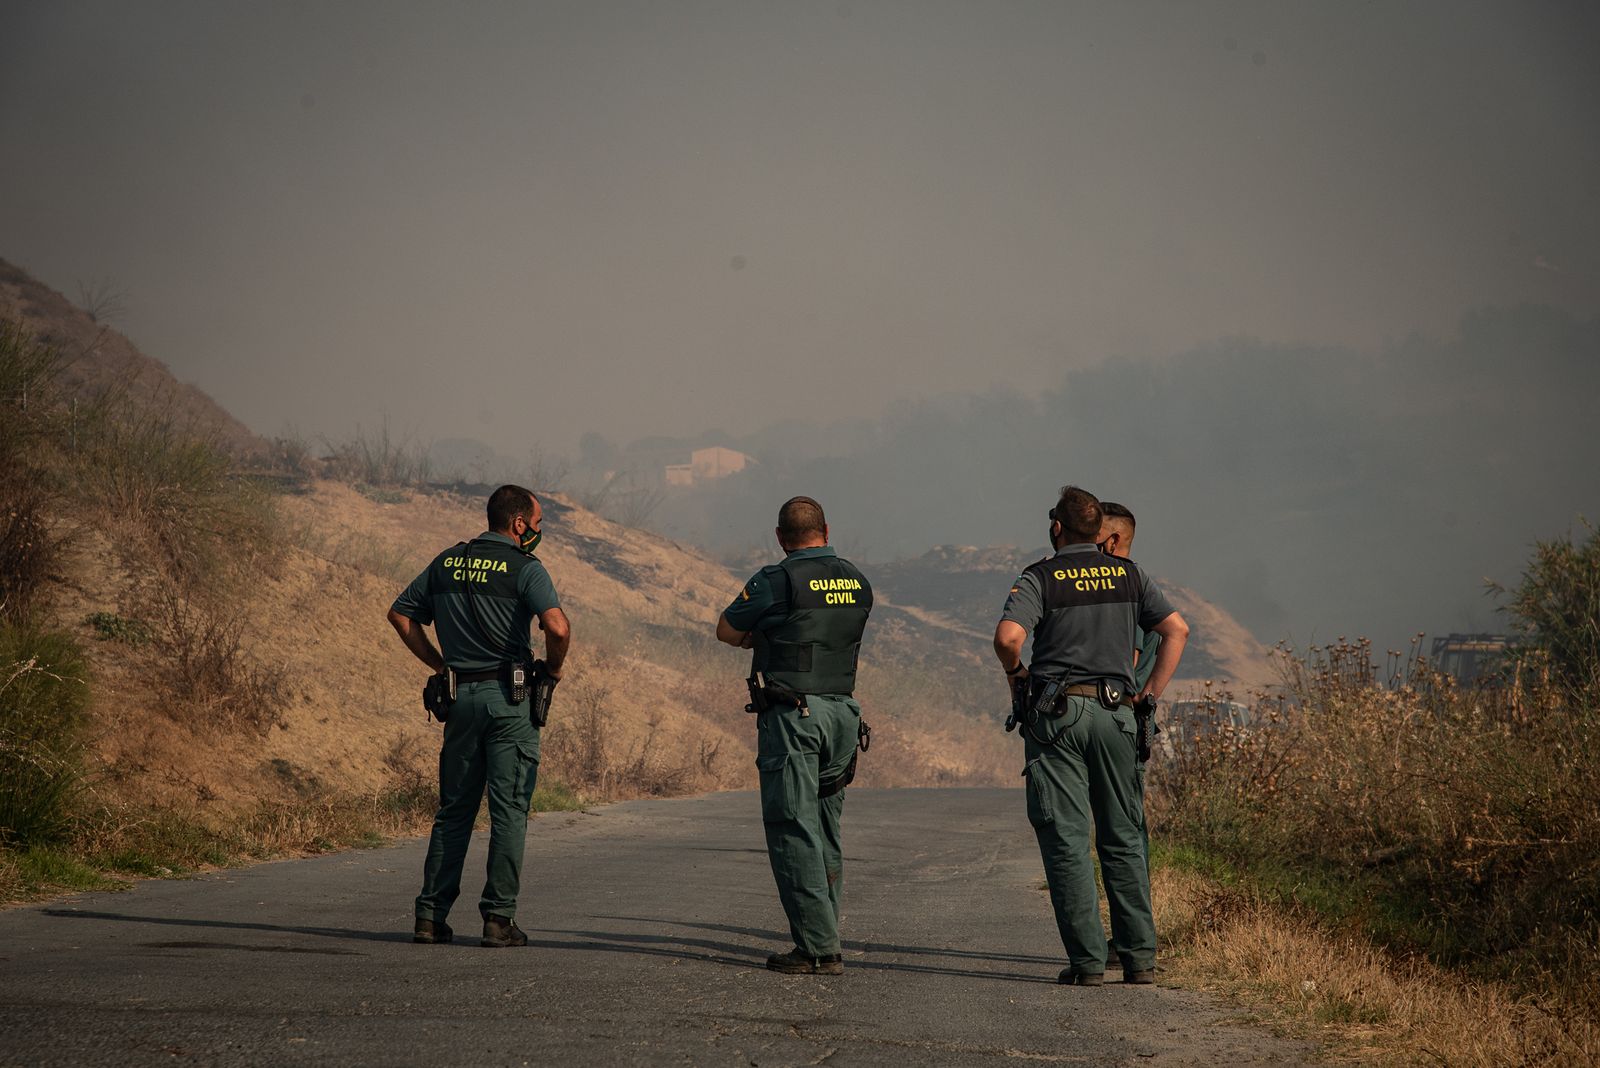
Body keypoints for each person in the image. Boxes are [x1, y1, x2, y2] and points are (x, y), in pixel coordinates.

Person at [993, 485, 1188, 986]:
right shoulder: (1131, 575)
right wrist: (1148, 694)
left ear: (1058, 528)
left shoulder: (1041, 576)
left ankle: (1087, 963)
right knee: (1123, 838)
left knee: (1067, 838)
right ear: (1097, 528)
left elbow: (1008, 639)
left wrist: (1017, 674)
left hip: (1059, 716)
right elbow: (1177, 631)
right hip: (1119, 713)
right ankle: (1140, 960)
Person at [388, 484, 570, 948]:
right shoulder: (527, 568)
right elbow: (557, 626)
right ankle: (498, 920)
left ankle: (430, 916)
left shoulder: (447, 561)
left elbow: (400, 615)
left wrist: (439, 665)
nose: (539, 530)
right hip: (508, 702)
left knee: (454, 811)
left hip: (460, 700)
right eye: (539, 522)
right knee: (509, 810)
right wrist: (551, 669)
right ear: (518, 524)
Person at [716, 496, 873, 975]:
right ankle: (827, 933)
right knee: (826, 828)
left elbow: (726, 629)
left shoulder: (777, 579)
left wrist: (760, 635)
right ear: (826, 529)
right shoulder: (857, 580)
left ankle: (817, 949)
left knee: (792, 827)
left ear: (781, 537)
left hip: (793, 715)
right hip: (844, 713)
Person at [1097, 502, 1160, 694]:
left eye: (1093, 536)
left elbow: (1127, 659)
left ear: (1112, 542)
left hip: (1116, 705)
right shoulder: (1134, 583)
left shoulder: (1124, 588)